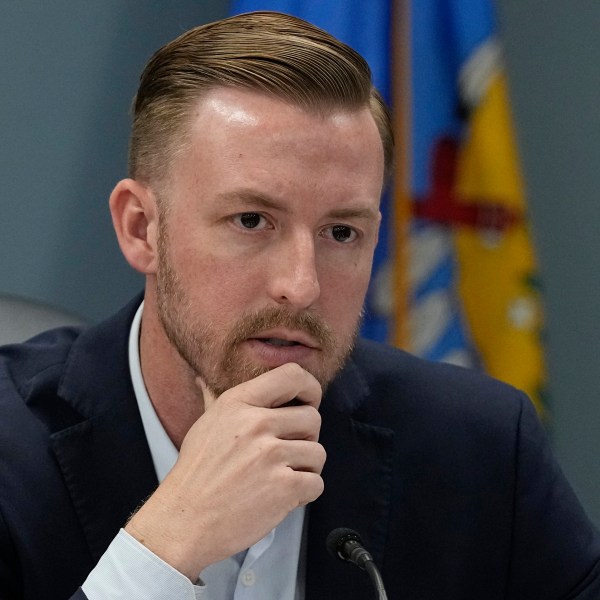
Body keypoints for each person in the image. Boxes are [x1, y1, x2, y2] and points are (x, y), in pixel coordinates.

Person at [0, 10, 599, 600]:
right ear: (141, 229)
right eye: (252, 220)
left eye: (341, 233)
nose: (301, 286)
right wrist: (165, 545)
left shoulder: (478, 448)